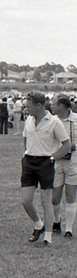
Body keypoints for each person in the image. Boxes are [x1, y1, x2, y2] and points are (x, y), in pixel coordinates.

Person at [21, 92, 70, 245]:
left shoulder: (54, 122)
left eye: (29, 106)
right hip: (29, 161)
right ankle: (38, 224)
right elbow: (25, 139)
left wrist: (53, 158)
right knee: (26, 200)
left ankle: (48, 236)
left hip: (45, 163)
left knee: (45, 200)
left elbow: (66, 145)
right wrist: (25, 154)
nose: (26, 109)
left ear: (39, 105)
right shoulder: (29, 120)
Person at [51, 95, 77, 237]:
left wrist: (74, 147)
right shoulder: (52, 121)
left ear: (61, 106)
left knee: (71, 195)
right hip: (57, 161)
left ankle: (69, 229)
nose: (51, 106)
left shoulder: (75, 120)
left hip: (73, 161)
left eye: (54, 104)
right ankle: (56, 221)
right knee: (55, 196)